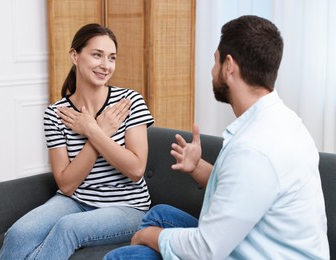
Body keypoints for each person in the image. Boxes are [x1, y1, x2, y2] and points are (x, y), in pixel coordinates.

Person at [104, 15, 329, 259]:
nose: (212, 71)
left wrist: (147, 236)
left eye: (215, 61)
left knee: (122, 255)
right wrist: (197, 166)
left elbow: (205, 250)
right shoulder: (283, 121)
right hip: (254, 241)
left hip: (244, 252)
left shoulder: (254, 149)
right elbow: (244, 190)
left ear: (229, 66)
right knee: (159, 215)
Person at [0, 23, 154, 260]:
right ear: (75, 55)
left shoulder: (129, 102)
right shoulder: (56, 113)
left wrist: (92, 130)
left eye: (112, 58)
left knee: (67, 228)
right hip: (76, 201)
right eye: (97, 55)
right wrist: (98, 131)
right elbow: (67, 184)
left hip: (128, 208)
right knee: (19, 234)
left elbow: (135, 169)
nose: (105, 65)